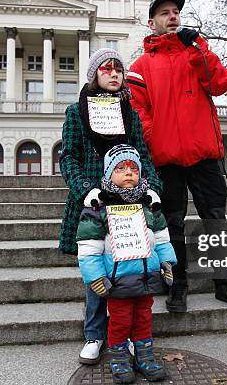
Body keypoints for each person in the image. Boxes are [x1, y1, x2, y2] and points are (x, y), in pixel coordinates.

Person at [127, 0, 227, 313]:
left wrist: (199, 49)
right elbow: (136, 109)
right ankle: (178, 283)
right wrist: (155, 138)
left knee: (216, 217)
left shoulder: (197, 50)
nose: (172, 16)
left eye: (176, 12)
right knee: (172, 221)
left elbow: (221, 84)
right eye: (164, 13)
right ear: (152, 22)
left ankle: (226, 282)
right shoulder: (141, 65)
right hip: (165, 158)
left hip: (204, 154)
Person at [58, 48, 163, 365]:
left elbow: (142, 155)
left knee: (129, 270)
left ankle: (129, 335)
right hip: (94, 203)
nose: (115, 73)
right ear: (94, 75)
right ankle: (95, 334)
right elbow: (69, 158)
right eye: (107, 68)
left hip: (128, 205)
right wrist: (84, 189)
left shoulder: (129, 113)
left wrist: (154, 188)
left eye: (119, 68)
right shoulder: (76, 113)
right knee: (96, 276)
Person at [76, 144, 177, 383]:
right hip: (117, 280)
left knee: (144, 319)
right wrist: (96, 277)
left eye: (133, 167)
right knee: (120, 322)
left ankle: (144, 356)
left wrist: (167, 263)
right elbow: (89, 248)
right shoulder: (98, 209)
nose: (129, 172)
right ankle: (119, 358)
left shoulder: (149, 206)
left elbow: (161, 238)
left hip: (147, 277)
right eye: (121, 168)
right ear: (109, 174)